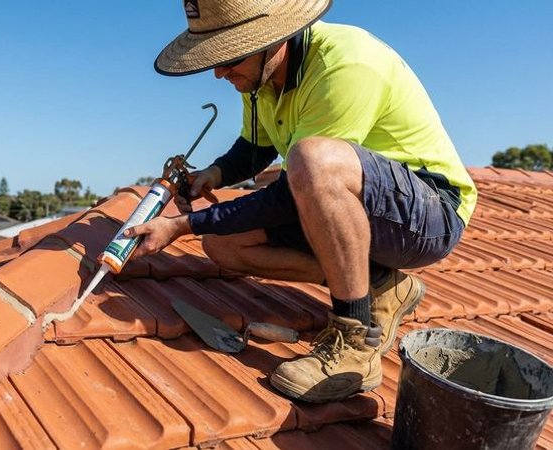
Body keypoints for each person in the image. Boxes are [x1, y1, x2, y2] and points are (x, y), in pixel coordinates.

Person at [124, 0, 477, 403]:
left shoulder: (346, 63)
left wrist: (182, 225)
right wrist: (215, 174)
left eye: (230, 57)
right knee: (222, 244)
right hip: (355, 209)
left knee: (311, 158)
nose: (220, 72)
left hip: (428, 215)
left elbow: (296, 189)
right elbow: (255, 147)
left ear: (272, 39)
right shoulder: (260, 77)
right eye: (216, 59)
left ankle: (355, 343)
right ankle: (380, 285)